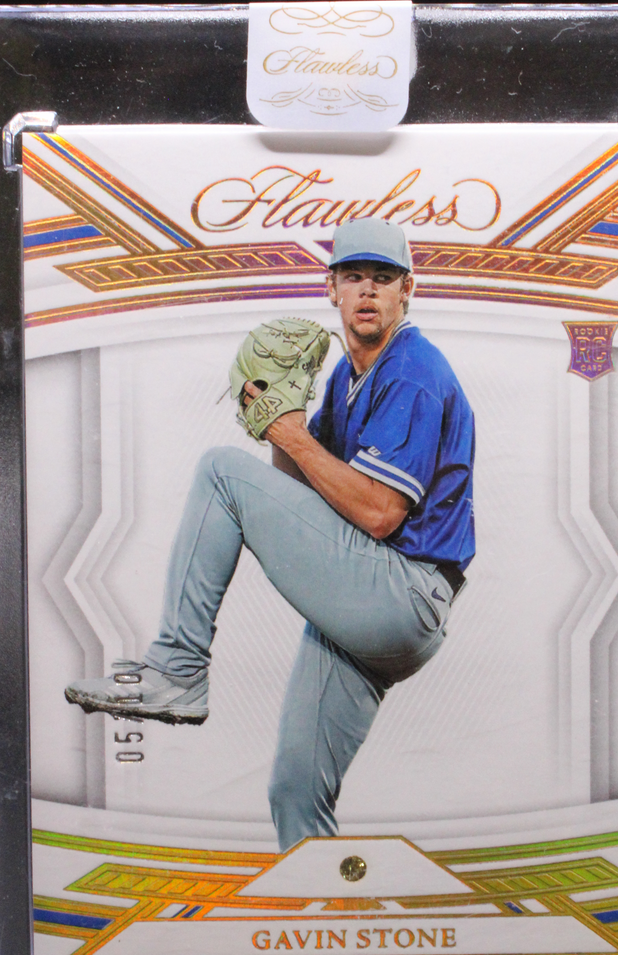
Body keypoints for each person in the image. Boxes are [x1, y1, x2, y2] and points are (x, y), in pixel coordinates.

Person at [65, 218, 476, 852]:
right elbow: (301, 493)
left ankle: (177, 668)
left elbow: (379, 514)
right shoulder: (348, 378)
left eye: (383, 277)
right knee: (294, 790)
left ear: (407, 290)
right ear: (331, 289)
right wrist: (278, 414)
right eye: (354, 276)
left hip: (402, 594)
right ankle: (322, 902)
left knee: (220, 472)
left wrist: (290, 434)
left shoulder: (412, 371)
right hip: (369, 599)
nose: (368, 290)